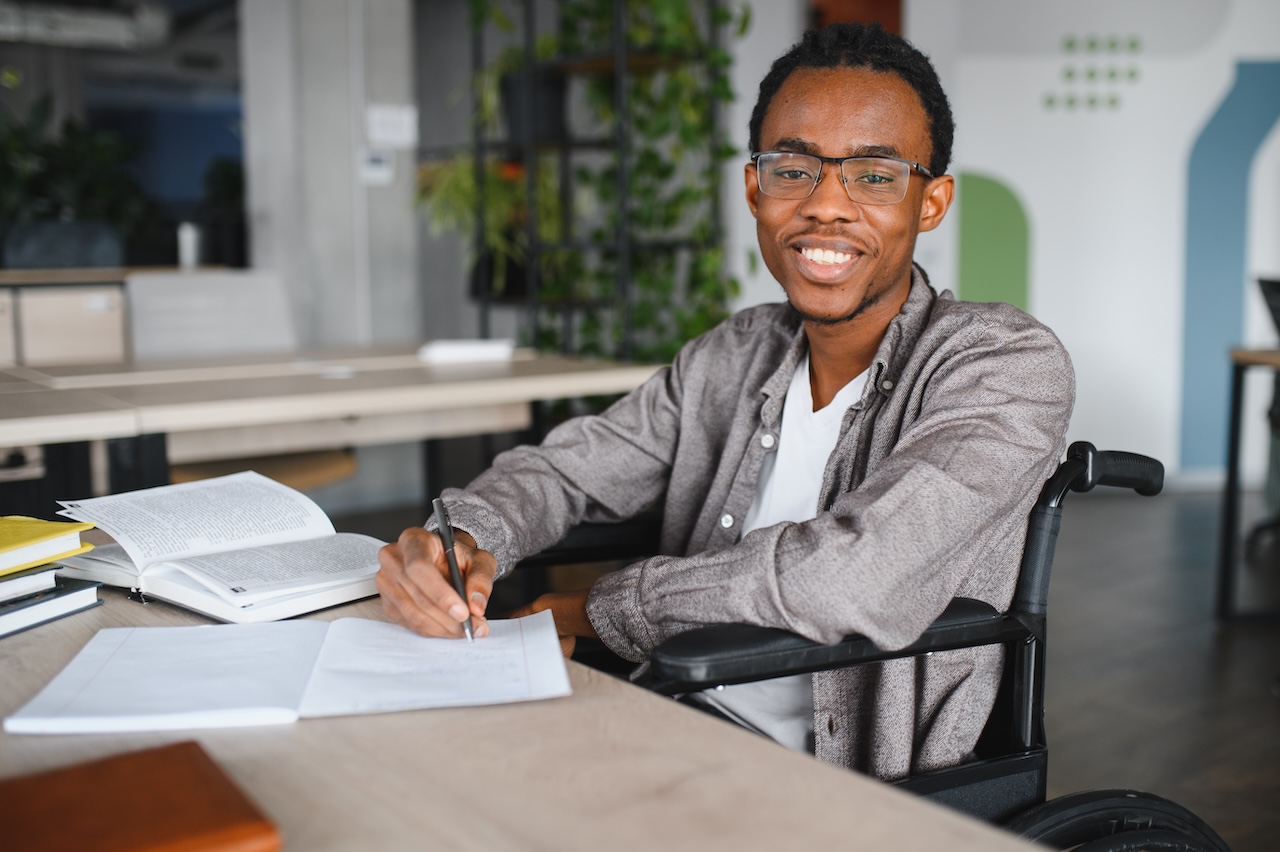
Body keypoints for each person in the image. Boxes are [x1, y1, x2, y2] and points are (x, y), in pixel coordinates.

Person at [377, 22, 1074, 780]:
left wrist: (596, 611)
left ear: (930, 201)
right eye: (793, 170)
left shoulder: (1005, 363)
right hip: (671, 713)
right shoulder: (733, 354)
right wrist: (462, 540)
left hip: (851, 786)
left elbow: (850, 576)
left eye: (874, 176)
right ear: (754, 189)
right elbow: (569, 470)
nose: (826, 206)